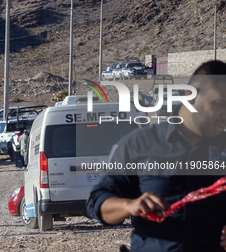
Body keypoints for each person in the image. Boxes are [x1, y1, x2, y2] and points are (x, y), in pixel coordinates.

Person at [86, 60, 226, 252]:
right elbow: (98, 201)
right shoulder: (139, 144)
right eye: (220, 103)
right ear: (191, 96)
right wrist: (129, 205)